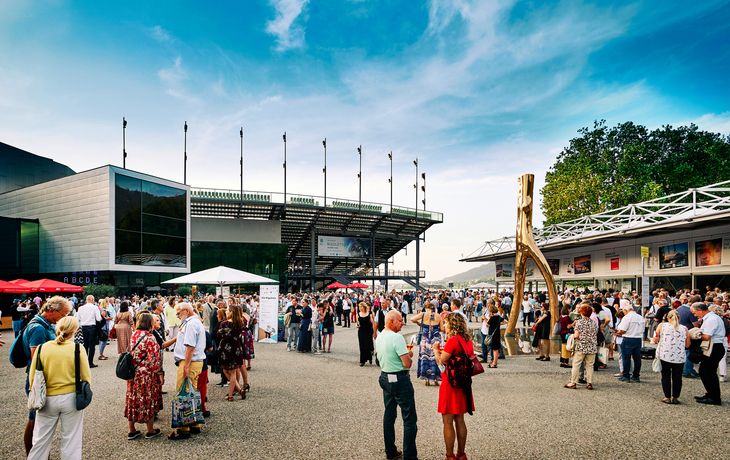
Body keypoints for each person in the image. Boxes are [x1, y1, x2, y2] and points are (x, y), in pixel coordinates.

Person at [27, 315, 90, 460]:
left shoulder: (42, 348)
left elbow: (33, 377)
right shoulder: (77, 348)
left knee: (40, 441)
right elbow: (86, 376)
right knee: (71, 441)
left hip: (47, 398)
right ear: (74, 331)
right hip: (71, 397)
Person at [22, 296, 72, 455]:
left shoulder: (44, 325)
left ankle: (39, 455)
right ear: (52, 311)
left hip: (40, 380)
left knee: (37, 421)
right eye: (64, 315)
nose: (64, 318)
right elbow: (37, 358)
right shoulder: (38, 328)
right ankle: (35, 455)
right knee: (35, 422)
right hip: (38, 381)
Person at [375, 310, 417, 460]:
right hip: (400, 379)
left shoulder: (379, 337)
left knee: (389, 415)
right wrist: (409, 354)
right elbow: (407, 363)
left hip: (386, 377)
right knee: (409, 418)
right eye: (400, 320)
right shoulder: (397, 338)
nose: (403, 322)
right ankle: (410, 456)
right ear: (391, 322)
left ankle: (390, 451)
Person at [432, 313, 473, 460]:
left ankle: (450, 456)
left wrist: (436, 350)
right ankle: (461, 454)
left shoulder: (452, 341)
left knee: (447, 421)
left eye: (446, 323)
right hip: (463, 384)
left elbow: (441, 364)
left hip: (450, 384)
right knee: (460, 420)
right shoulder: (467, 340)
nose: (444, 326)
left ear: (452, 325)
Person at [169, 302, 207, 440]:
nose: (178, 316)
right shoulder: (196, 322)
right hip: (197, 361)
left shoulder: (190, 324)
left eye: (179, 313)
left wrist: (185, 366)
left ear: (186, 311)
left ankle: (183, 428)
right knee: (192, 393)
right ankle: (194, 423)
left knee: (184, 393)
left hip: (189, 362)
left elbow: (190, 346)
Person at [125, 312, 162, 439]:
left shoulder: (134, 335)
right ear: (149, 323)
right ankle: (150, 430)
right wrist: (159, 373)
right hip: (146, 374)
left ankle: (132, 430)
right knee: (148, 399)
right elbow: (153, 360)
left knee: (133, 399)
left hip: (133, 373)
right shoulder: (149, 338)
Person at [691, 302, 726, 405]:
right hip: (714, 346)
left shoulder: (711, 320)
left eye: (695, 313)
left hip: (714, 347)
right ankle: (710, 393)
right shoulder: (712, 318)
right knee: (703, 371)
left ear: (700, 310)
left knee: (709, 372)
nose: (695, 315)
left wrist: (694, 334)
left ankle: (714, 397)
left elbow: (707, 336)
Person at [652, 310, 690, 404]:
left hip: (665, 354)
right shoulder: (684, 328)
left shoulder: (662, 325)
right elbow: (687, 345)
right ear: (679, 318)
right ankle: (675, 397)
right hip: (679, 356)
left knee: (666, 376)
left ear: (667, 317)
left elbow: (655, 339)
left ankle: (667, 396)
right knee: (677, 377)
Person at [564, 302, 598, 390]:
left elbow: (576, 335)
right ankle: (589, 383)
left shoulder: (579, 322)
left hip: (581, 346)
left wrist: (571, 336)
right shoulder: (594, 323)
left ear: (582, 313)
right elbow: (596, 332)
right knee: (590, 365)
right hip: (592, 346)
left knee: (576, 364)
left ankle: (573, 382)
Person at [217, 304, 246, 401]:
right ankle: (239, 390)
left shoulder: (224, 324)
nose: (226, 311)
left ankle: (230, 395)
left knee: (227, 371)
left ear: (232, 312)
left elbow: (219, 335)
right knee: (232, 371)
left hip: (226, 348)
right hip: (236, 348)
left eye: (228, 310)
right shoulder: (240, 323)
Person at [412, 301, 442, 384]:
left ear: (426, 308)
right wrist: (434, 329)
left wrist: (420, 323)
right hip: (435, 338)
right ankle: (436, 379)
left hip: (425, 338)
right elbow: (442, 329)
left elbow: (412, 319)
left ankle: (427, 379)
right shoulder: (438, 316)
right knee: (435, 356)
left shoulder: (423, 314)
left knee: (425, 357)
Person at [616, 301, 645, 383]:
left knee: (626, 358)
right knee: (637, 358)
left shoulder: (627, 318)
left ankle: (626, 375)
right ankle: (636, 375)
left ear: (625, 310)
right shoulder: (640, 317)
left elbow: (622, 330)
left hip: (628, 338)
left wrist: (617, 332)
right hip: (638, 338)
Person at [76, 295, 101, 368]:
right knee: (92, 345)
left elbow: (78, 318)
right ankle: (90, 362)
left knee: (85, 345)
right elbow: (98, 318)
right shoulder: (95, 307)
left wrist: (78, 327)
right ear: (92, 300)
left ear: (86, 300)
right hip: (92, 327)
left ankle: (84, 362)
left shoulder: (81, 308)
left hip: (84, 326)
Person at [485, 304, 505, 369]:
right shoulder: (499, 317)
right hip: (497, 333)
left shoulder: (492, 318)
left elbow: (487, 325)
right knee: (495, 349)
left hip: (492, 334)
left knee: (494, 349)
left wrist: (486, 318)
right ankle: (494, 362)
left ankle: (494, 363)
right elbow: (506, 321)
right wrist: (499, 324)